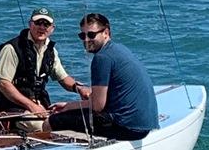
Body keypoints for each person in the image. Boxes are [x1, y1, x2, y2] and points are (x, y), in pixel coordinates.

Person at [43, 12, 159, 140]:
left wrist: (67, 106)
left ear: (106, 33)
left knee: (51, 121)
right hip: (144, 125)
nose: (86, 39)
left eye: (91, 34)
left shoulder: (102, 58)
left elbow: (97, 106)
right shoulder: (119, 49)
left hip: (126, 127)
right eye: (82, 35)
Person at [0, 7, 91, 131]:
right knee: (46, 127)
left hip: (41, 107)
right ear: (30, 24)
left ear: (52, 29)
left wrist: (79, 89)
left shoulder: (50, 51)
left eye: (46, 24)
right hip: (14, 110)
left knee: (76, 120)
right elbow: (3, 84)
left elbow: (63, 78)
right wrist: (32, 106)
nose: (42, 27)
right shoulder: (12, 48)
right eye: (38, 23)